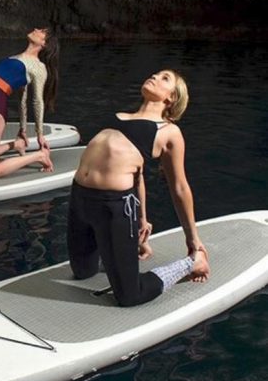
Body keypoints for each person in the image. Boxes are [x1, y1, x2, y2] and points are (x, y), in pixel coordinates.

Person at [67, 69, 210, 307]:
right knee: (83, 272)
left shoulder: (168, 131)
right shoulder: (119, 116)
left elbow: (179, 187)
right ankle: (120, 253)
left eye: (164, 78)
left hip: (114, 208)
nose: (154, 76)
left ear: (171, 98)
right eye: (155, 74)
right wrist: (142, 220)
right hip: (79, 200)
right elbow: (138, 175)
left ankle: (192, 264)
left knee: (129, 296)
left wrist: (193, 238)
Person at [0, 28, 59, 179]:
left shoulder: (38, 67)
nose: (35, 29)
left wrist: (39, 134)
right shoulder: (15, 57)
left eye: (41, 31)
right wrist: (22, 130)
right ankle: (16, 145)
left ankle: (39, 156)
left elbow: (37, 101)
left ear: (44, 43)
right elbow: (22, 99)